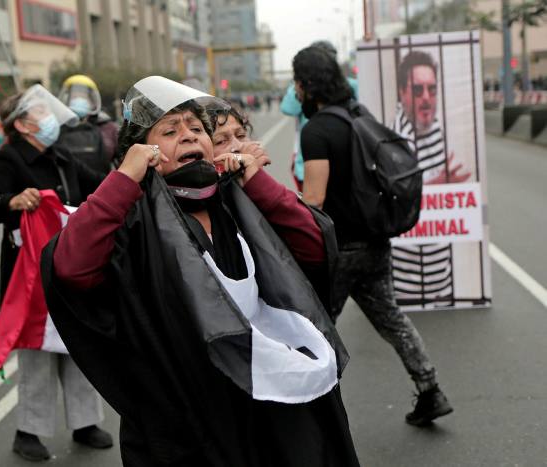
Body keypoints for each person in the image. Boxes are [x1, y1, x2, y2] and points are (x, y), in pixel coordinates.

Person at [41, 76, 359, 466]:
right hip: (184, 420)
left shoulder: (237, 200)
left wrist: (255, 183)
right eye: (171, 130)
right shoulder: (132, 218)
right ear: (144, 150)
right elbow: (72, 270)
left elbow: (314, 246)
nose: (189, 136)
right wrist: (123, 180)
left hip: (265, 404)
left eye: (197, 128)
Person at [293, 45, 453, 426]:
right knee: (392, 319)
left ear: (307, 84)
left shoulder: (317, 130)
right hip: (376, 242)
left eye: (297, 79)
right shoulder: (359, 115)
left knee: (312, 328)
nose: (295, 87)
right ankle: (430, 390)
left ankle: (304, 411)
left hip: (340, 250)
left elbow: (313, 201)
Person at [0, 85, 112, 462]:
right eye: (40, 112)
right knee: (37, 356)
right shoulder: (9, 160)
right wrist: (12, 201)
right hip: (30, 275)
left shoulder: (60, 155)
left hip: (71, 267)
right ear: (22, 124)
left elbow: (97, 186)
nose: (49, 117)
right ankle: (28, 431)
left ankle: (85, 423)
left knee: (79, 349)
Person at [391, 50, 471, 307]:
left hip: (442, 279)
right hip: (407, 284)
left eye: (432, 89)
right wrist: (440, 185)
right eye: (417, 90)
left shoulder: (436, 129)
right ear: (402, 93)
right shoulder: (395, 140)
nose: (427, 98)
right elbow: (395, 197)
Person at [281, 41, 358, 192]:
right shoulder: (306, 90)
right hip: (308, 163)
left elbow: (314, 201)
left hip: (344, 164)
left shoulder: (351, 85)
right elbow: (288, 107)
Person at [56, 74, 120, 176]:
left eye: (83, 97)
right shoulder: (56, 128)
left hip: (101, 187)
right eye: (75, 96)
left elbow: (122, 163)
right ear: (65, 99)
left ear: (93, 101)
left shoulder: (109, 128)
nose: (79, 100)